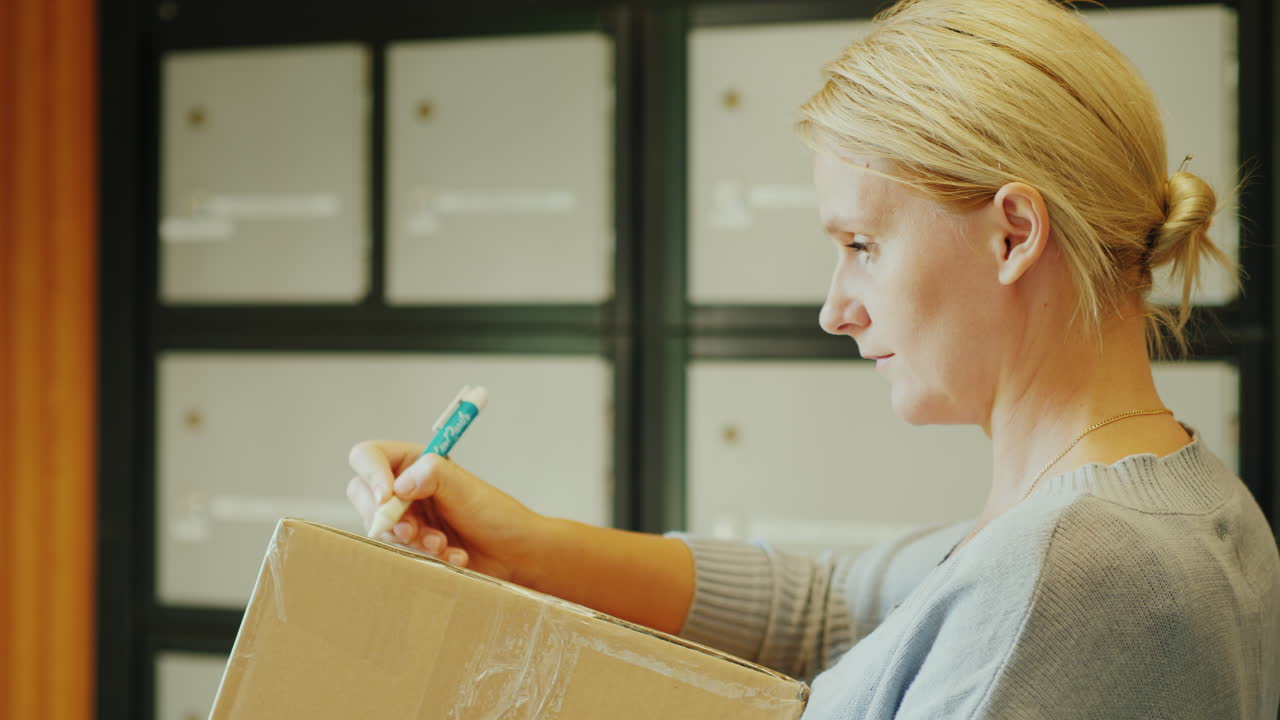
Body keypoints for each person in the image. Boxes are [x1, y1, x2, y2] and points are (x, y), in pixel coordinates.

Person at [346, 0, 1280, 716]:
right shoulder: (1170, 502)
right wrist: (524, 547)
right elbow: (829, 608)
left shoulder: (1078, 572)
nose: (835, 309)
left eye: (863, 246)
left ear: (1012, 235)